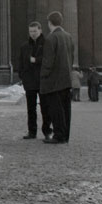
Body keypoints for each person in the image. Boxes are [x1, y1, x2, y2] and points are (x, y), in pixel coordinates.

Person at [39, 10, 74, 144]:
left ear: (49, 23)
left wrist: (43, 75)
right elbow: (71, 58)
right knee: (66, 109)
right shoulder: (68, 36)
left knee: (56, 109)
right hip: (66, 79)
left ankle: (58, 135)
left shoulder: (51, 38)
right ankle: (65, 136)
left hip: (53, 81)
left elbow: (48, 61)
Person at [17, 21, 51, 140]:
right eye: (31, 31)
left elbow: (49, 60)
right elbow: (21, 62)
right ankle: (32, 132)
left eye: (35, 31)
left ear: (40, 30)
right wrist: (22, 75)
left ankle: (47, 131)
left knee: (45, 108)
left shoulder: (47, 44)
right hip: (29, 81)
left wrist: (36, 60)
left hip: (42, 81)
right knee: (31, 109)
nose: (33, 34)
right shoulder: (24, 46)